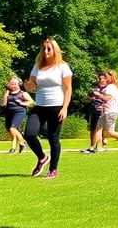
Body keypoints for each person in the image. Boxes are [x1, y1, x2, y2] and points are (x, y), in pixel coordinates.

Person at [24, 38, 73, 179]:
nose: (45, 51)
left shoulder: (63, 66)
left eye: (49, 49)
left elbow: (68, 89)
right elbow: (31, 84)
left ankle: (53, 170)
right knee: (29, 134)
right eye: (44, 48)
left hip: (57, 106)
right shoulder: (38, 65)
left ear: (55, 50)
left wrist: (64, 108)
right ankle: (42, 157)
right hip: (39, 106)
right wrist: (28, 85)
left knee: (53, 138)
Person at [0, 75, 32, 154]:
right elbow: (2, 104)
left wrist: (22, 103)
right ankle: (13, 148)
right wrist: (6, 94)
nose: (13, 85)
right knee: (11, 131)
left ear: (18, 84)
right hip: (9, 112)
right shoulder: (7, 93)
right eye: (11, 84)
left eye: (15, 84)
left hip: (19, 112)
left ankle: (22, 142)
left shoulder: (23, 93)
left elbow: (31, 102)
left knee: (13, 128)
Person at [82, 72, 107, 153]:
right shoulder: (96, 88)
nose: (101, 80)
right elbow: (88, 98)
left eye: (103, 78)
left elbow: (109, 99)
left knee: (98, 129)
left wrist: (102, 105)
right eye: (100, 78)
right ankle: (92, 146)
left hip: (101, 110)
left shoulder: (107, 89)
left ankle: (98, 147)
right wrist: (90, 98)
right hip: (93, 109)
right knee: (92, 128)